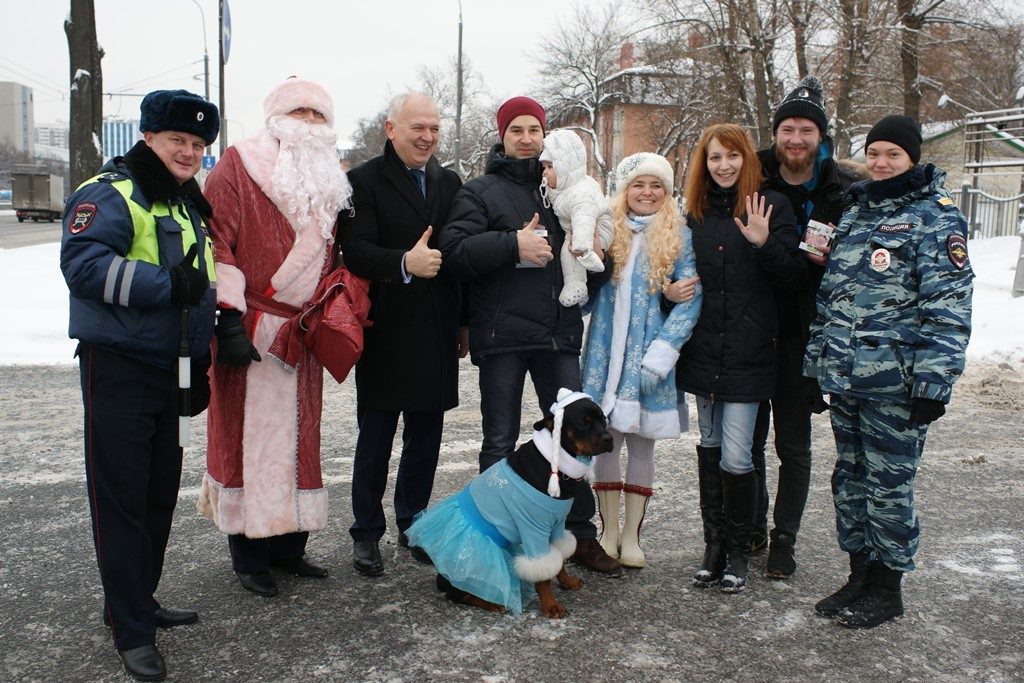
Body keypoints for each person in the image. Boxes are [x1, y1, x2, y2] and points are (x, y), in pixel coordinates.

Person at [60, 89, 219, 681]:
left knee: (158, 491)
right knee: (120, 498)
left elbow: (201, 286)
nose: (189, 151)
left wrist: (202, 361)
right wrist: (162, 284)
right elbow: (82, 265)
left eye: (199, 144)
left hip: (172, 366)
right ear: (148, 136)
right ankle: (129, 626)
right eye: (178, 139)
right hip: (120, 366)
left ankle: (138, 599)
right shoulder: (110, 192)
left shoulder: (184, 203)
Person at [439, 96, 622, 576]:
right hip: (502, 335)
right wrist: (510, 243)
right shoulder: (480, 191)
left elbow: (586, 272)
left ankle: (579, 535)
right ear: (503, 136)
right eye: (516, 129)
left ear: (545, 137)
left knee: (575, 434)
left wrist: (601, 258)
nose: (525, 138)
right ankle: (491, 541)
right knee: (499, 439)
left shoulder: (565, 190)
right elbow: (453, 252)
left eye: (534, 130)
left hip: (558, 335)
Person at [804, 115, 973, 628]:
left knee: (889, 485)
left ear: (912, 158)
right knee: (850, 479)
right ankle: (860, 574)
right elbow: (831, 299)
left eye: (892, 155)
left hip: (897, 386)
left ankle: (888, 588)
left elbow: (949, 305)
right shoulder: (856, 213)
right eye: (874, 153)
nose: (880, 163)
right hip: (846, 380)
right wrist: (816, 366)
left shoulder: (936, 217)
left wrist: (933, 382)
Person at [196, 77, 352, 598]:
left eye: (318, 114)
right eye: (299, 111)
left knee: (301, 436)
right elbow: (214, 244)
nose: (309, 123)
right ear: (276, 116)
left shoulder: (332, 181)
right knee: (243, 437)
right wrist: (227, 317)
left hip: (302, 329)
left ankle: (290, 547)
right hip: (250, 325)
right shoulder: (237, 165)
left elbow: (332, 257)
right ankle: (248, 552)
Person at [674, 123, 806, 593]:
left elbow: (794, 277)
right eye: (714, 158)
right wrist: (670, 292)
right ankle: (712, 548)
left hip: (751, 354)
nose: (723, 165)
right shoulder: (693, 212)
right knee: (709, 450)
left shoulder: (774, 206)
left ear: (747, 158)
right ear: (703, 164)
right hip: (704, 352)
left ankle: (737, 550)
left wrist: (764, 242)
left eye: (732, 156)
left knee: (735, 456)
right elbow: (675, 274)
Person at [339, 92, 465, 577]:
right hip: (386, 329)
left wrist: (464, 323)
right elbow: (355, 251)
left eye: (434, 128)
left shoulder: (450, 181)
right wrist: (403, 263)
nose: (428, 137)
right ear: (392, 128)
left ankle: (413, 523)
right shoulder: (362, 182)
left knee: (425, 439)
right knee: (375, 438)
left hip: (437, 326)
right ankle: (366, 533)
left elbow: (459, 256)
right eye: (418, 127)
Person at [746, 75, 849, 578]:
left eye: (806, 129)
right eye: (788, 128)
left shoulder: (844, 188)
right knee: (746, 440)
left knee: (792, 444)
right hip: (752, 327)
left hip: (805, 336)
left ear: (820, 136)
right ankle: (751, 527)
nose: (796, 139)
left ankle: (783, 537)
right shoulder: (752, 178)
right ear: (776, 133)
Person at [580, 152, 702, 569]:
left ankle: (632, 536)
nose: (647, 192)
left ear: (666, 192)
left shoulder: (679, 236)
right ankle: (608, 532)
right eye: (638, 184)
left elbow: (690, 300)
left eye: (656, 186)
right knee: (605, 440)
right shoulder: (609, 229)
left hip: (648, 360)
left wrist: (662, 354)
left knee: (642, 444)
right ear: (625, 190)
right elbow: (589, 286)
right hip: (603, 357)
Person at [537, 128, 614, 306]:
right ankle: (580, 288)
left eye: (550, 167)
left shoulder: (579, 194)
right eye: (544, 167)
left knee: (569, 249)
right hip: (583, 228)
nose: (545, 173)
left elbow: (584, 218)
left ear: (565, 168)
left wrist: (583, 248)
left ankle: (576, 285)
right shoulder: (566, 187)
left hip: (595, 231)